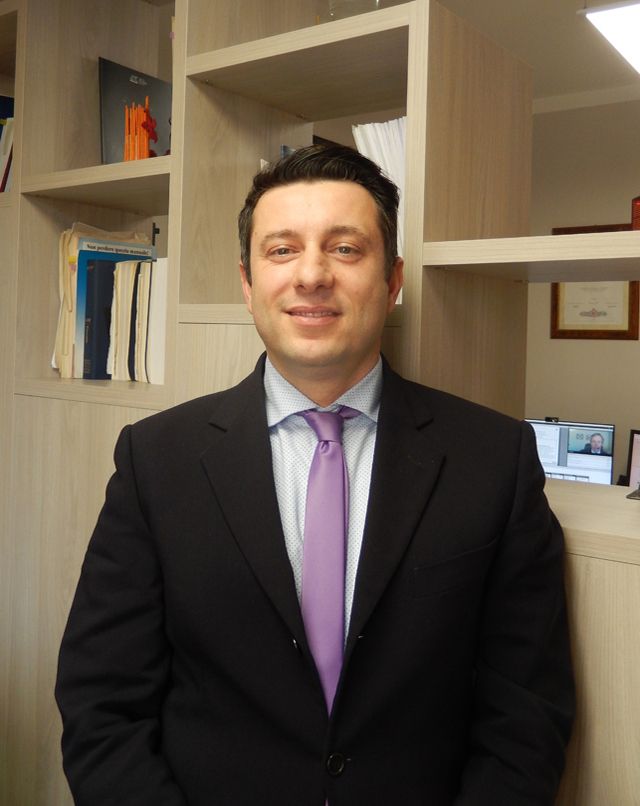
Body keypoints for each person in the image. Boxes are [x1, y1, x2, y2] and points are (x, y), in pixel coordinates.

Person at [55, 145, 575, 805]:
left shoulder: (494, 459)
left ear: (393, 280)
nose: (311, 275)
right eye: (281, 250)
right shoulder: (156, 460)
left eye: (346, 248)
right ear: (248, 284)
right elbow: (102, 704)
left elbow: (526, 718)